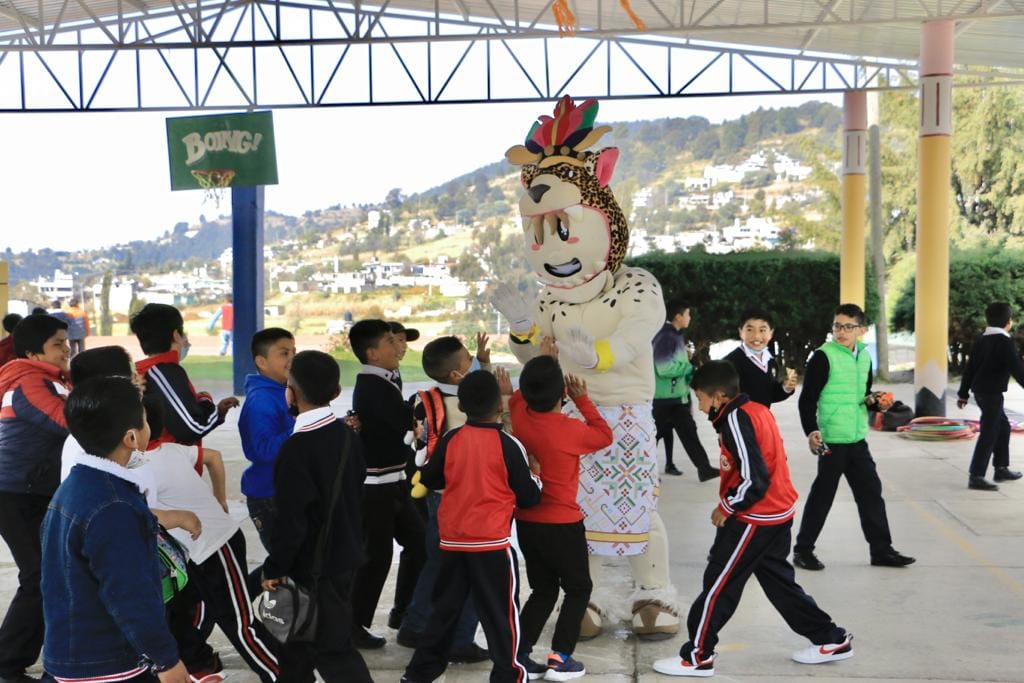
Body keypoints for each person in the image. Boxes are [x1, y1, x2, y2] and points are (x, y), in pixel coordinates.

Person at [60, 346, 280, 683]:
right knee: (219, 616)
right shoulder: (108, 459)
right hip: (182, 550)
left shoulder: (103, 448)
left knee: (214, 613)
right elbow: (123, 520)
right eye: (131, 373)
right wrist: (175, 517)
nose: (141, 377)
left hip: (201, 546)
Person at [652, 361, 853, 678]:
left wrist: (728, 507)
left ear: (718, 396)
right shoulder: (755, 409)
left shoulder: (735, 419)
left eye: (701, 397)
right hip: (777, 513)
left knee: (719, 585)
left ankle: (697, 656)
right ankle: (832, 639)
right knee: (780, 584)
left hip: (755, 517)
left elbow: (754, 478)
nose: (699, 404)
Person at [42, 375, 189, 683]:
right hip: (108, 664)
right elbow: (131, 595)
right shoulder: (115, 506)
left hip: (68, 654)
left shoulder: (73, 487)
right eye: (145, 420)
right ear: (131, 438)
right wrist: (167, 660)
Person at [402, 371, 543, 683]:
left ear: (462, 406)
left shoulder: (452, 439)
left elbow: (433, 478)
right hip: (491, 545)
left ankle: (418, 675)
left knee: (443, 613)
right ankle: (509, 675)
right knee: (501, 616)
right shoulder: (509, 445)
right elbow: (529, 497)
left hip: (452, 543)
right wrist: (536, 474)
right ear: (499, 408)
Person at [261, 350, 373, 683]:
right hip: (345, 555)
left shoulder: (296, 449)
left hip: (313, 567)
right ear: (337, 392)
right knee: (296, 647)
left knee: (330, 650)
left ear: (290, 393)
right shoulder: (348, 436)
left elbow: (291, 520)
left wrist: (276, 567)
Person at [506, 355, 613, 680]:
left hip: (526, 520)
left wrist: (545, 361)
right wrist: (582, 398)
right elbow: (604, 434)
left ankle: (521, 653)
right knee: (579, 587)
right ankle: (561, 657)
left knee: (543, 589)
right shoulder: (569, 429)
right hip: (563, 523)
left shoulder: (519, 415)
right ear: (562, 393)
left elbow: (519, 395)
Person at [792, 304, 915, 571]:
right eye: (837, 325)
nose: (841, 331)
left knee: (871, 492)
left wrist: (875, 402)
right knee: (823, 495)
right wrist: (811, 431)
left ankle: (881, 551)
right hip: (832, 439)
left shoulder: (865, 357)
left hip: (857, 438)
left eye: (848, 326)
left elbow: (863, 395)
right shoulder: (823, 357)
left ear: (862, 330)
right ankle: (803, 550)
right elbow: (807, 400)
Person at [397, 335, 493, 664]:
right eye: (469, 360)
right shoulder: (468, 405)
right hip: (470, 499)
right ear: (456, 374)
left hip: (437, 495)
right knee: (475, 567)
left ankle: (415, 624)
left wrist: (481, 359)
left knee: (437, 561)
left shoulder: (426, 400)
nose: (474, 363)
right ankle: (461, 639)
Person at [0, 313, 70, 683]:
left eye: (67, 342)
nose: (66, 350)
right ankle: (7, 663)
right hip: (14, 493)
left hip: (36, 491)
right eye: (58, 344)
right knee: (40, 576)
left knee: (54, 574)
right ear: (33, 351)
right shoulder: (30, 383)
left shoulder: (52, 380)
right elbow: (67, 421)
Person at [349, 319, 425, 649]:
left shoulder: (386, 379)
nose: (399, 348)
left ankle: (404, 611)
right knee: (375, 557)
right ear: (373, 353)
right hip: (376, 486)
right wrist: (422, 410)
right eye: (391, 342)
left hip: (394, 480)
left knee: (419, 543)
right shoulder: (372, 386)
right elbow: (406, 420)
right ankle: (353, 624)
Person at [131, 303, 239, 450]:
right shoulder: (163, 373)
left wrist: (215, 412)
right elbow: (192, 428)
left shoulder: (155, 371)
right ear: (176, 335)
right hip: (170, 466)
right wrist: (206, 400)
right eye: (183, 333)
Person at [239, 328, 297, 552]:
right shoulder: (261, 399)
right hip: (269, 495)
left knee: (293, 563)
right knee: (286, 564)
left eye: (294, 351)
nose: (292, 358)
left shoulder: (287, 390)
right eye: (284, 353)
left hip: (287, 490)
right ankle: (247, 588)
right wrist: (302, 425)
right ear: (261, 362)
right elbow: (262, 450)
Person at [956, 302, 1024, 490]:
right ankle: (976, 475)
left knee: (1002, 427)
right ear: (1008, 322)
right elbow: (1017, 369)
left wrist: (963, 394)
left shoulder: (981, 340)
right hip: (992, 393)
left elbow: (970, 369)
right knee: (989, 432)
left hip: (981, 392)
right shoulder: (1004, 342)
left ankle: (1001, 467)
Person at [652, 300, 718, 480]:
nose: (689, 318)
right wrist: (688, 367)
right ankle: (644, 471)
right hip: (663, 398)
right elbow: (663, 367)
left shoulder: (675, 335)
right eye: (688, 314)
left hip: (676, 398)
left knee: (689, 432)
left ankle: (704, 469)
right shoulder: (666, 336)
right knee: (652, 436)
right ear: (678, 316)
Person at [723, 309, 798, 408]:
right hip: (740, 421)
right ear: (740, 332)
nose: (756, 336)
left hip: (761, 420)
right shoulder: (729, 363)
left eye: (762, 330)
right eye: (750, 330)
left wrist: (786, 388)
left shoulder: (770, 360)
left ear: (771, 333)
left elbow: (768, 395)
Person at [388, 321, 420, 390]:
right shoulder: (377, 376)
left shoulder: (394, 370)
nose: (405, 346)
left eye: (405, 341)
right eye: (400, 340)